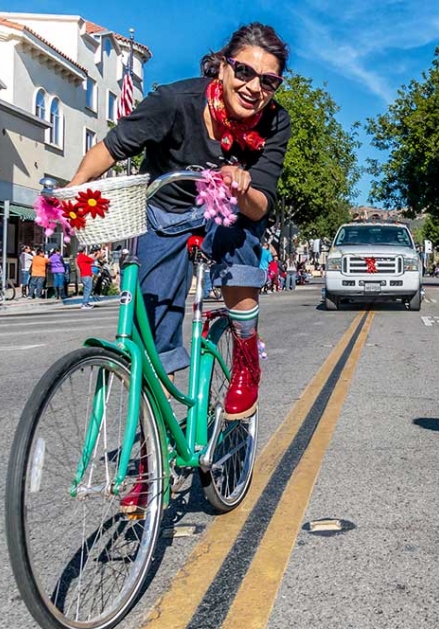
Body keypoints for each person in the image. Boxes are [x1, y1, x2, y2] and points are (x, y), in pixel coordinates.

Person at [65, 22, 291, 419]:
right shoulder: (173, 101)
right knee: (149, 336)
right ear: (222, 67)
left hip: (229, 213)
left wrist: (241, 189)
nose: (254, 87)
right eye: (244, 72)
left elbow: (261, 206)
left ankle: (245, 351)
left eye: (268, 81)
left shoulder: (275, 121)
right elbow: (110, 149)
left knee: (239, 249)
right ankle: (150, 441)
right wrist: (73, 194)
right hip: (165, 211)